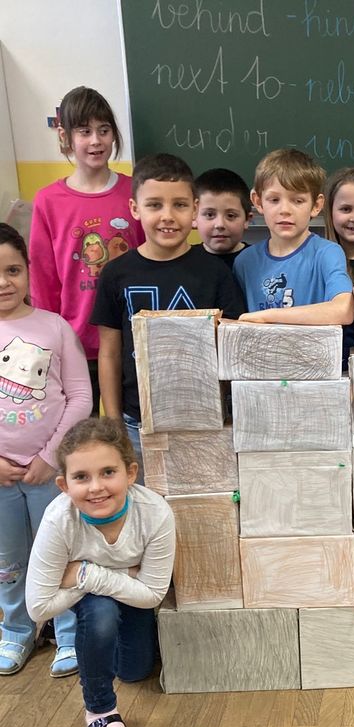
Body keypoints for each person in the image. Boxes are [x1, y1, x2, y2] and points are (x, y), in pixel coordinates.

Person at [26, 418, 175, 727]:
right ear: (64, 484)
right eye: (81, 477)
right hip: (102, 597)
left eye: (108, 472)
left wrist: (86, 574)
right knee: (101, 612)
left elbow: (153, 594)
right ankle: (100, 711)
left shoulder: (155, 514)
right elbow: (38, 608)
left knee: (135, 672)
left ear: (131, 472)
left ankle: (108, 635)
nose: (96, 487)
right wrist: (116, 578)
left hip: (131, 595)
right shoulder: (58, 521)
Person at [90, 153, 245, 481]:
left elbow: (233, 345)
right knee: (145, 507)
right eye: (154, 205)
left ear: (194, 208)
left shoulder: (215, 272)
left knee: (199, 510)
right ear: (135, 209)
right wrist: (115, 420)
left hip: (203, 419)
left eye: (179, 205)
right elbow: (110, 352)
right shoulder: (116, 274)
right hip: (137, 421)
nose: (167, 216)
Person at [0, 224, 91, 678]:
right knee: (8, 557)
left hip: (47, 471)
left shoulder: (52, 327)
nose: (4, 282)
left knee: (59, 551)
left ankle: (67, 631)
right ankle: (17, 629)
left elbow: (79, 397)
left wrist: (50, 457)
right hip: (0, 477)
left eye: (13, 270)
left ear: (28, 271)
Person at [29, 86, 144, 416]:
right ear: (65, 136)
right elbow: (43, 276)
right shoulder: (48, 201)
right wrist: (49, 338)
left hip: (129, 338)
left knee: (132, 433)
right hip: (75, 342)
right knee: (82, 435)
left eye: (104, 130)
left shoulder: (133, 191)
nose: (96, 141)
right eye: (85, 131)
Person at [233, 148, 354, 326]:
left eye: (297, 201)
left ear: (316, 205)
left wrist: (267, 316)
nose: (285, 210)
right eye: (274, 200)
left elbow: (344, 310)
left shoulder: (327, 253)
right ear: (258, 201)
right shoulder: (245, 262)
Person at [193, 167, 252, 269]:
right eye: (210, 215)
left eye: (230, 216)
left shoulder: (258, 261)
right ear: (193, 218)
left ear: (247, 219)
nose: (220, 224)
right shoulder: (185, 261)